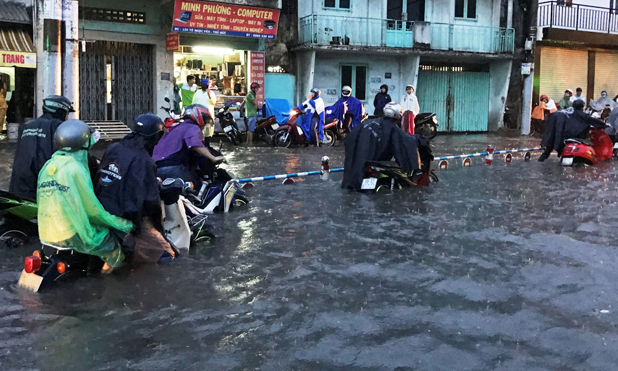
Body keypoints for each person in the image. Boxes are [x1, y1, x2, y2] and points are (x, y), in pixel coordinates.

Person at [37, 120, 133, 274]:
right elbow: (93, 210)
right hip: (70, 234)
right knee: (115, 249)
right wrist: (123, 224)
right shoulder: (76, 168)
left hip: (46, 233)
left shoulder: (48, 166)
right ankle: (107, 285)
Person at [95, 113, 176, 264]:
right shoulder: (144, 161)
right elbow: (151, 202)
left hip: (102, 211)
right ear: (155, 137)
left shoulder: (113, 148)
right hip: (126, 218)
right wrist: (159, 229)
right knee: (169, 255)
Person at [342, 102, 433, 191]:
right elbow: (406, 140)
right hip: (375, 162)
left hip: (359, 164)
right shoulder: (392, 128)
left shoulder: (368, 122)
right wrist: (421, 140)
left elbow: (350, 138)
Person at [9, 95, 74, 200]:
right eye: (67, 113)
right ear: (61, 111)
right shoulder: (59, 126)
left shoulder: (27, 125)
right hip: (45, 184)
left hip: (20, 183)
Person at [153, 104, 224, 185]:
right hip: (172, 167)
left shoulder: (178, 126)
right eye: (205, 120)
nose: (204, 124)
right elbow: (196, 144)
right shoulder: (192, 127)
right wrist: (213, 158)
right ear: (198, 116)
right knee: (196, 188)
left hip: (156, 167)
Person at [538, 100, 607, 161]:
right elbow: (593, 121)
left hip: (558, 133)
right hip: (572, 135)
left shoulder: (564, 111)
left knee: (548, 148)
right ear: (582, 107)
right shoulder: (581, 114)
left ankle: (542, 159)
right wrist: (604, 125)